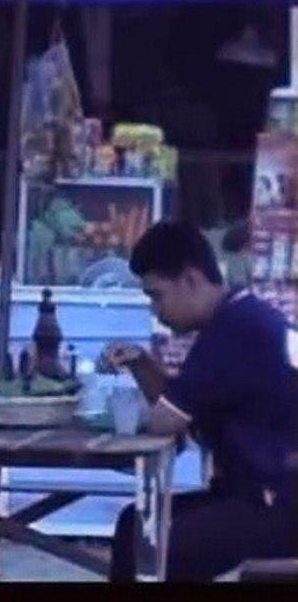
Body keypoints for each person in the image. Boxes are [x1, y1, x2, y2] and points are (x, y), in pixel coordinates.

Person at [100, 220, 297, 582]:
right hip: (256, 494)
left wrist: (148, 386)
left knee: (163, 548)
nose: (155, 311)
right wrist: (141, 364)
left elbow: (166, 419)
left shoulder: (235, 329)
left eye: (157, 296)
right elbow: (181, 405)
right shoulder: (238, 316)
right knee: (134, 526)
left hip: (276, 502)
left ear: (190, 279)